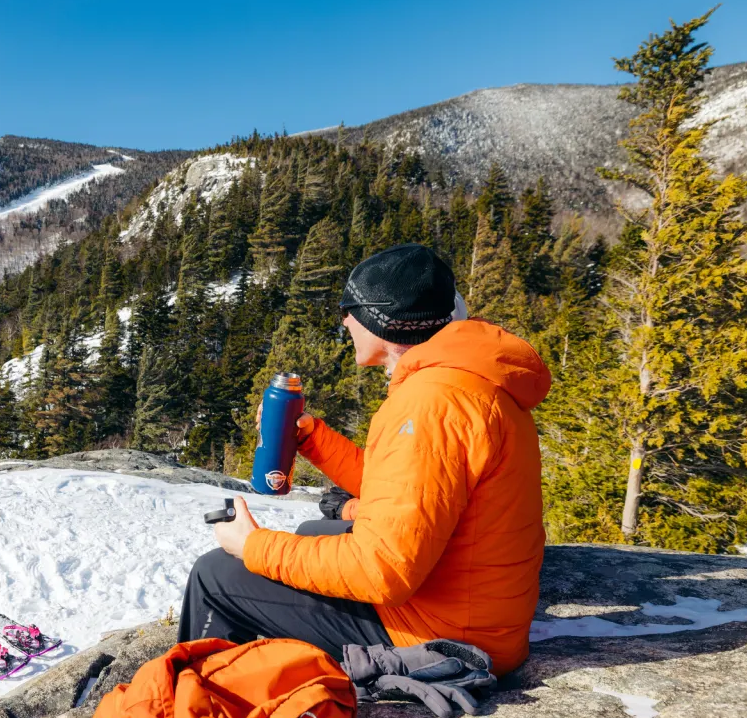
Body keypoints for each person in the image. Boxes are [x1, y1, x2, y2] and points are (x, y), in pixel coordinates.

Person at [178, 243, 551, 676]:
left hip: (443, 637)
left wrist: (253, 546)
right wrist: (312, 439)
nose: (345, 320)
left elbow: (383, 571)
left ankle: (199, 710)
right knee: (315, 530)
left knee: (215, 575)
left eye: (350, 308)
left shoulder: (431, 403)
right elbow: (403, 489)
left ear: (382, 322)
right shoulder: (465, 379)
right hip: (472, 608)